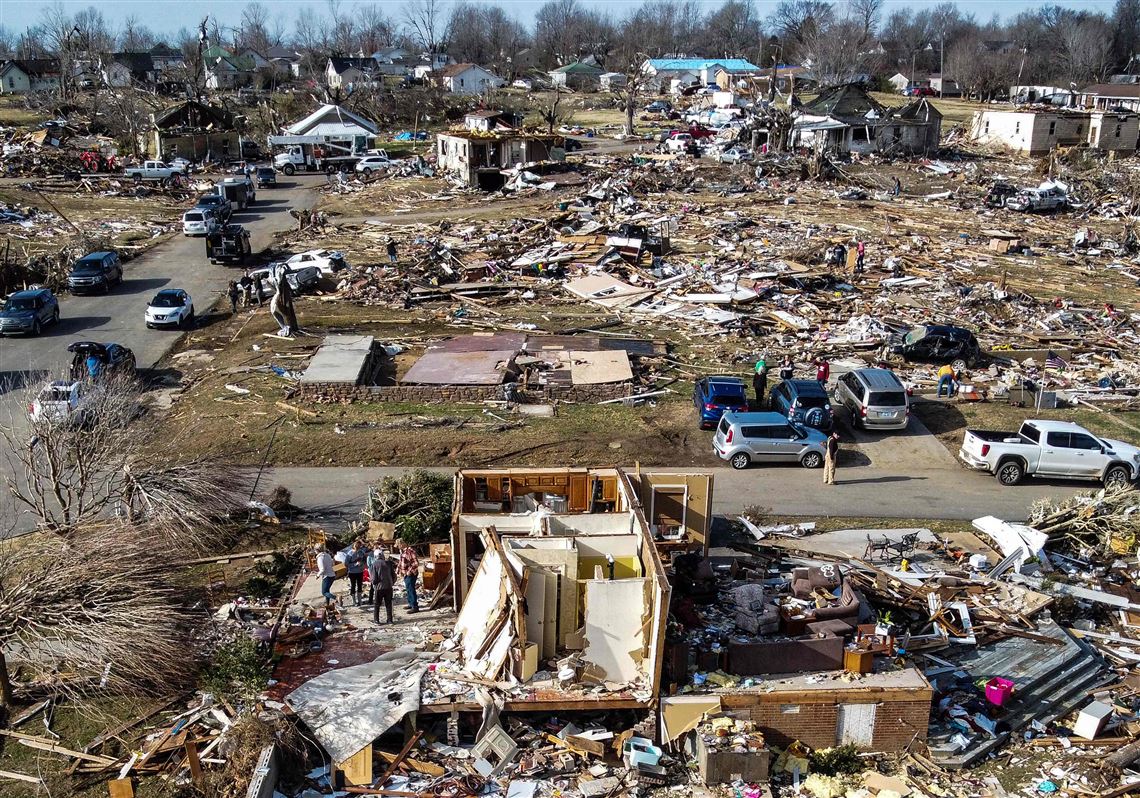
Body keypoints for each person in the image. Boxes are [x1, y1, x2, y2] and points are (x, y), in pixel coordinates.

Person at [368, 546, 396, 624]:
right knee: (388, 604)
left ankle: (376, 620)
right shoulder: (389, 563)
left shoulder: (374, 564)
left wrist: (374, 584)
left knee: (377, 604)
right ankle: (390, 620)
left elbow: (373, 579)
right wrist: (391, 583)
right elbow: (394, 576)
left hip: (379, 587)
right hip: (389, 587)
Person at [396, 541, 420, 614]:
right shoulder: (403, 552)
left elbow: (416, 563)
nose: (397, 547)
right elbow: (401, 562)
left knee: (411, 589)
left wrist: (409, 572)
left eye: (398, 545)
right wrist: (398, 571)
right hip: (406, 573)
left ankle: (414, 606)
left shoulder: (410, 551)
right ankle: (410, 603)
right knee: (408, 589)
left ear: (401, 544)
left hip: (411, 573)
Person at [345, 540, 367, 606]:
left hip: (360, 571)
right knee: (353, 586)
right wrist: (355, 564)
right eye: (357, 546)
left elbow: (364, 560)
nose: (358, 548)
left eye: (359, 546)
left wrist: (362, 564)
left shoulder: (361, 552)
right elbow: (346, 564)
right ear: (354, 546)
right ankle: (354, 601)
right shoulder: (350, 553)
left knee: (360, 585)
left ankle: (360, 600)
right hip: (352, 572)